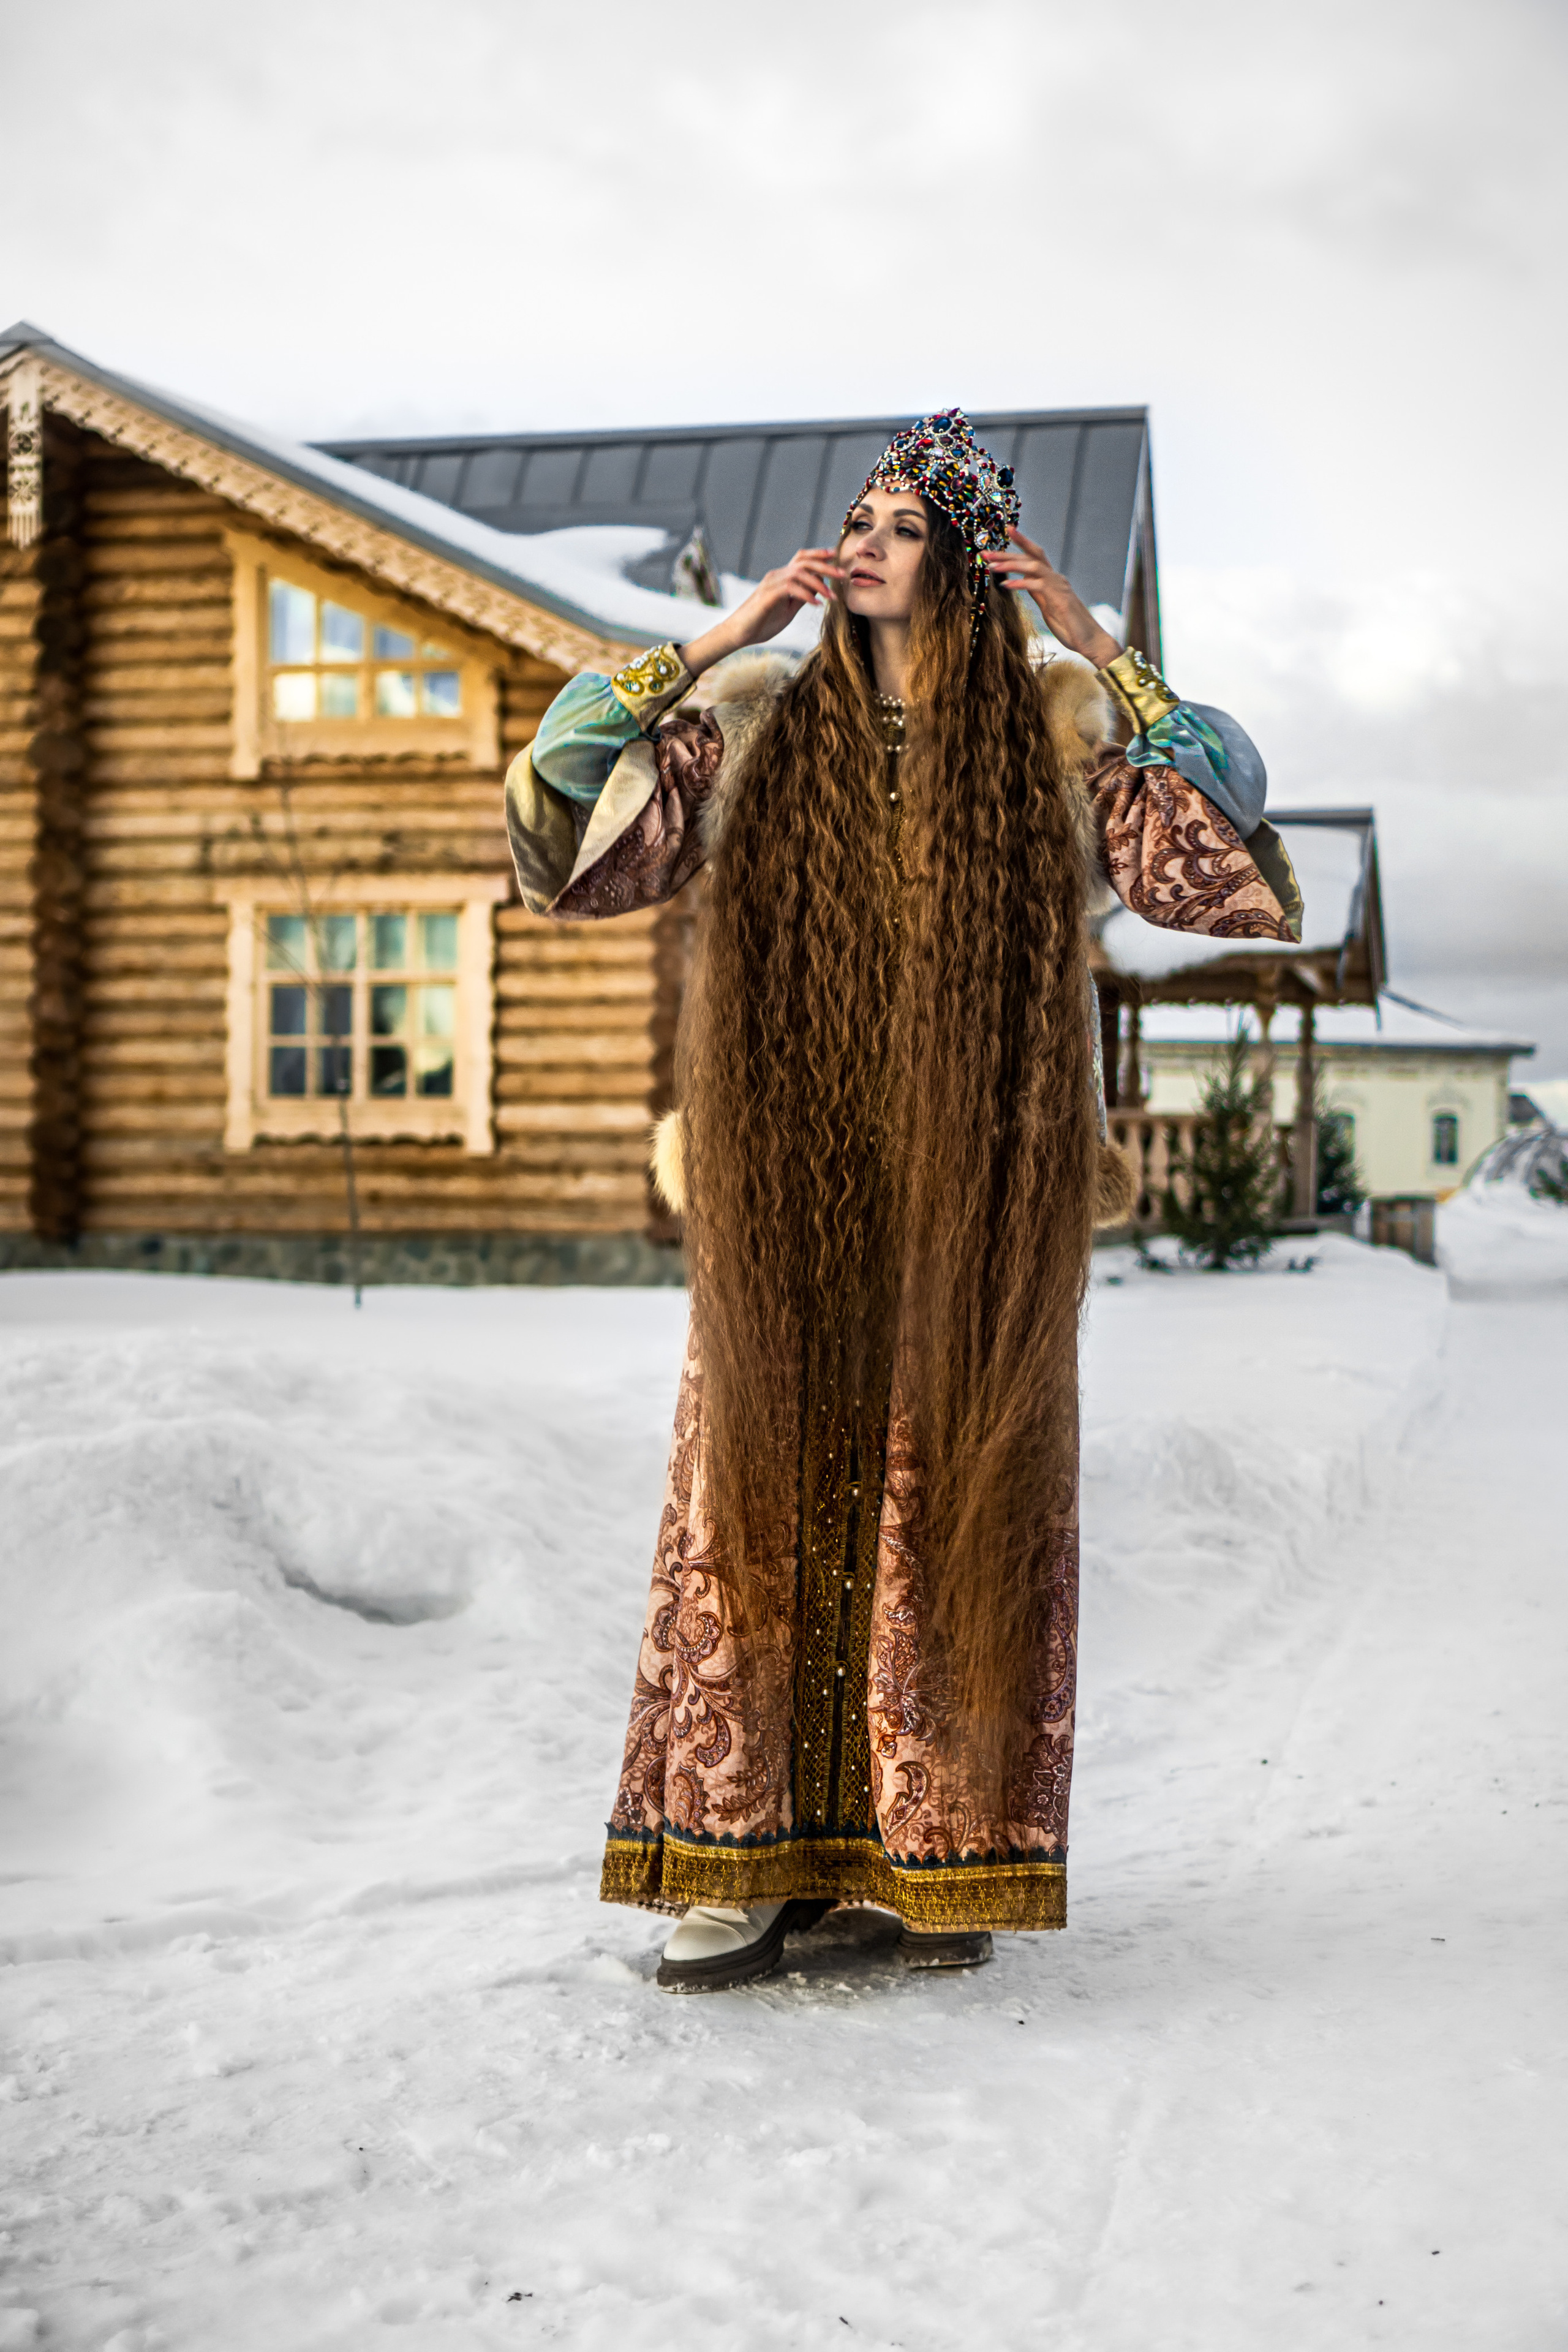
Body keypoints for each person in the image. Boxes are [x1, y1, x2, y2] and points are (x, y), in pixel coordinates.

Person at [506, 410, 1298, 1993]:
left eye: (904, 525)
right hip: (784, 1193)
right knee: (760, 1511)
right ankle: (739, 1867)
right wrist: (722, 635)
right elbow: (564, 834)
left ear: (966, 566)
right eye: (855, 515)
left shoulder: (1061, 747)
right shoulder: (745, 723)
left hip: (972, 1206)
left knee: (944, 1516)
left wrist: (1102, 649)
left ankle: (910, 1861)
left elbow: (1224, 861)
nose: (862, 540)